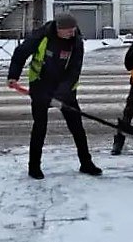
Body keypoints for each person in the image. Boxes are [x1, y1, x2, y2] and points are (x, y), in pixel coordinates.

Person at [7, 13, 101, 179]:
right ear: (58, 29)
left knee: (77, 127)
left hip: (65, 87)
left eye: (73, 30)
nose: (71, 34)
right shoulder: (41, 35)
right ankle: (34, 166)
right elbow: (21, 52)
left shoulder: (76, 41)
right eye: (68, 31)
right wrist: (13, 75)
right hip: (40, 84)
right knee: (40, 127)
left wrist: (60, 95)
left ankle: (86, 163)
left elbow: (74, 70)